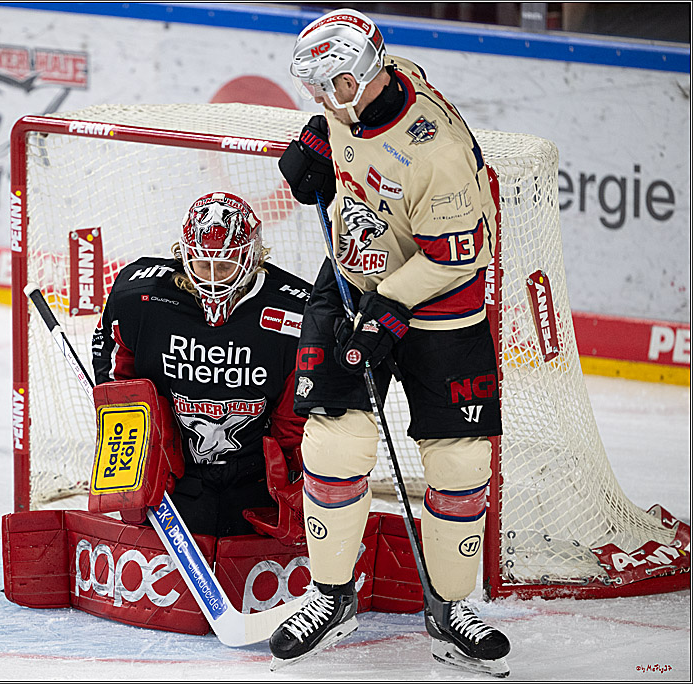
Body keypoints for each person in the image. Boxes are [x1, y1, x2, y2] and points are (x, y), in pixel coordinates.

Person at [268, 8, 511, 676]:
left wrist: (391, 310)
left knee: (459, 463)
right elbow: (353, 139)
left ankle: (452, 609)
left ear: (367, 73)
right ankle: (330, 597)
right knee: (334, 441)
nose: (326, 98)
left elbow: (460, 256)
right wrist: (319, 138)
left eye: (335, 87)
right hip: (352, 282)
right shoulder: (375, 88)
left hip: (440, 307)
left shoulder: (438, 151)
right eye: (316, 89)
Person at [91, 191, 311, 542]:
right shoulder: (142, 297)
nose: (213, 277)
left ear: (252, 258)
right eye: (202, 264)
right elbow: (118, 377)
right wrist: (138, 453)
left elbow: (297, 407)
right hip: (175, 473)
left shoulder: (295, 312)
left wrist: (297, 475)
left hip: (255, 478)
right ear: (184, 255)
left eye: (225, 265)